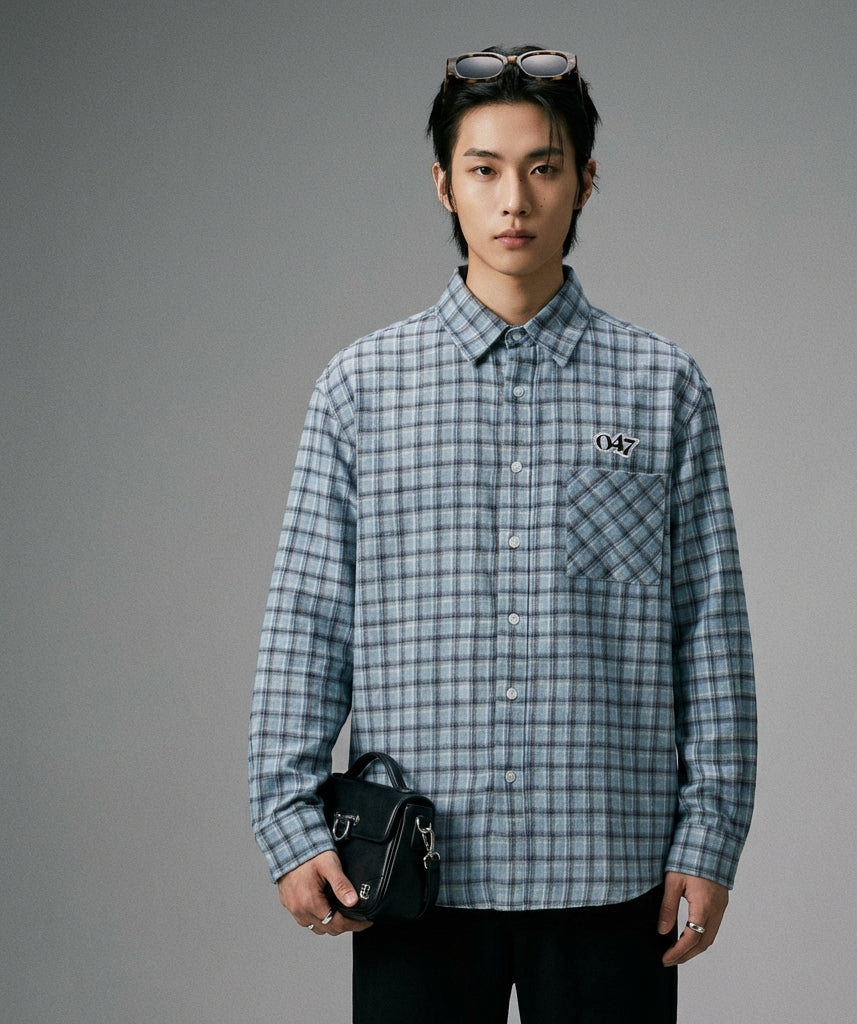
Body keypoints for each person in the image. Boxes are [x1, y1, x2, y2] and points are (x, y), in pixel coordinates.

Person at [249, 44, 757, 1023]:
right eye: (484, 169)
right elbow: (308, 616)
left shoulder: (663, 389)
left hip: (611, 871)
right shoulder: (362, 390)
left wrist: (711, 836)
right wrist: (289, 822)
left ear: (585, 181)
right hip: (413, 877)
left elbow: (709, 630)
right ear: (444, 184)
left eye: (543, 167)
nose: (513, 200)